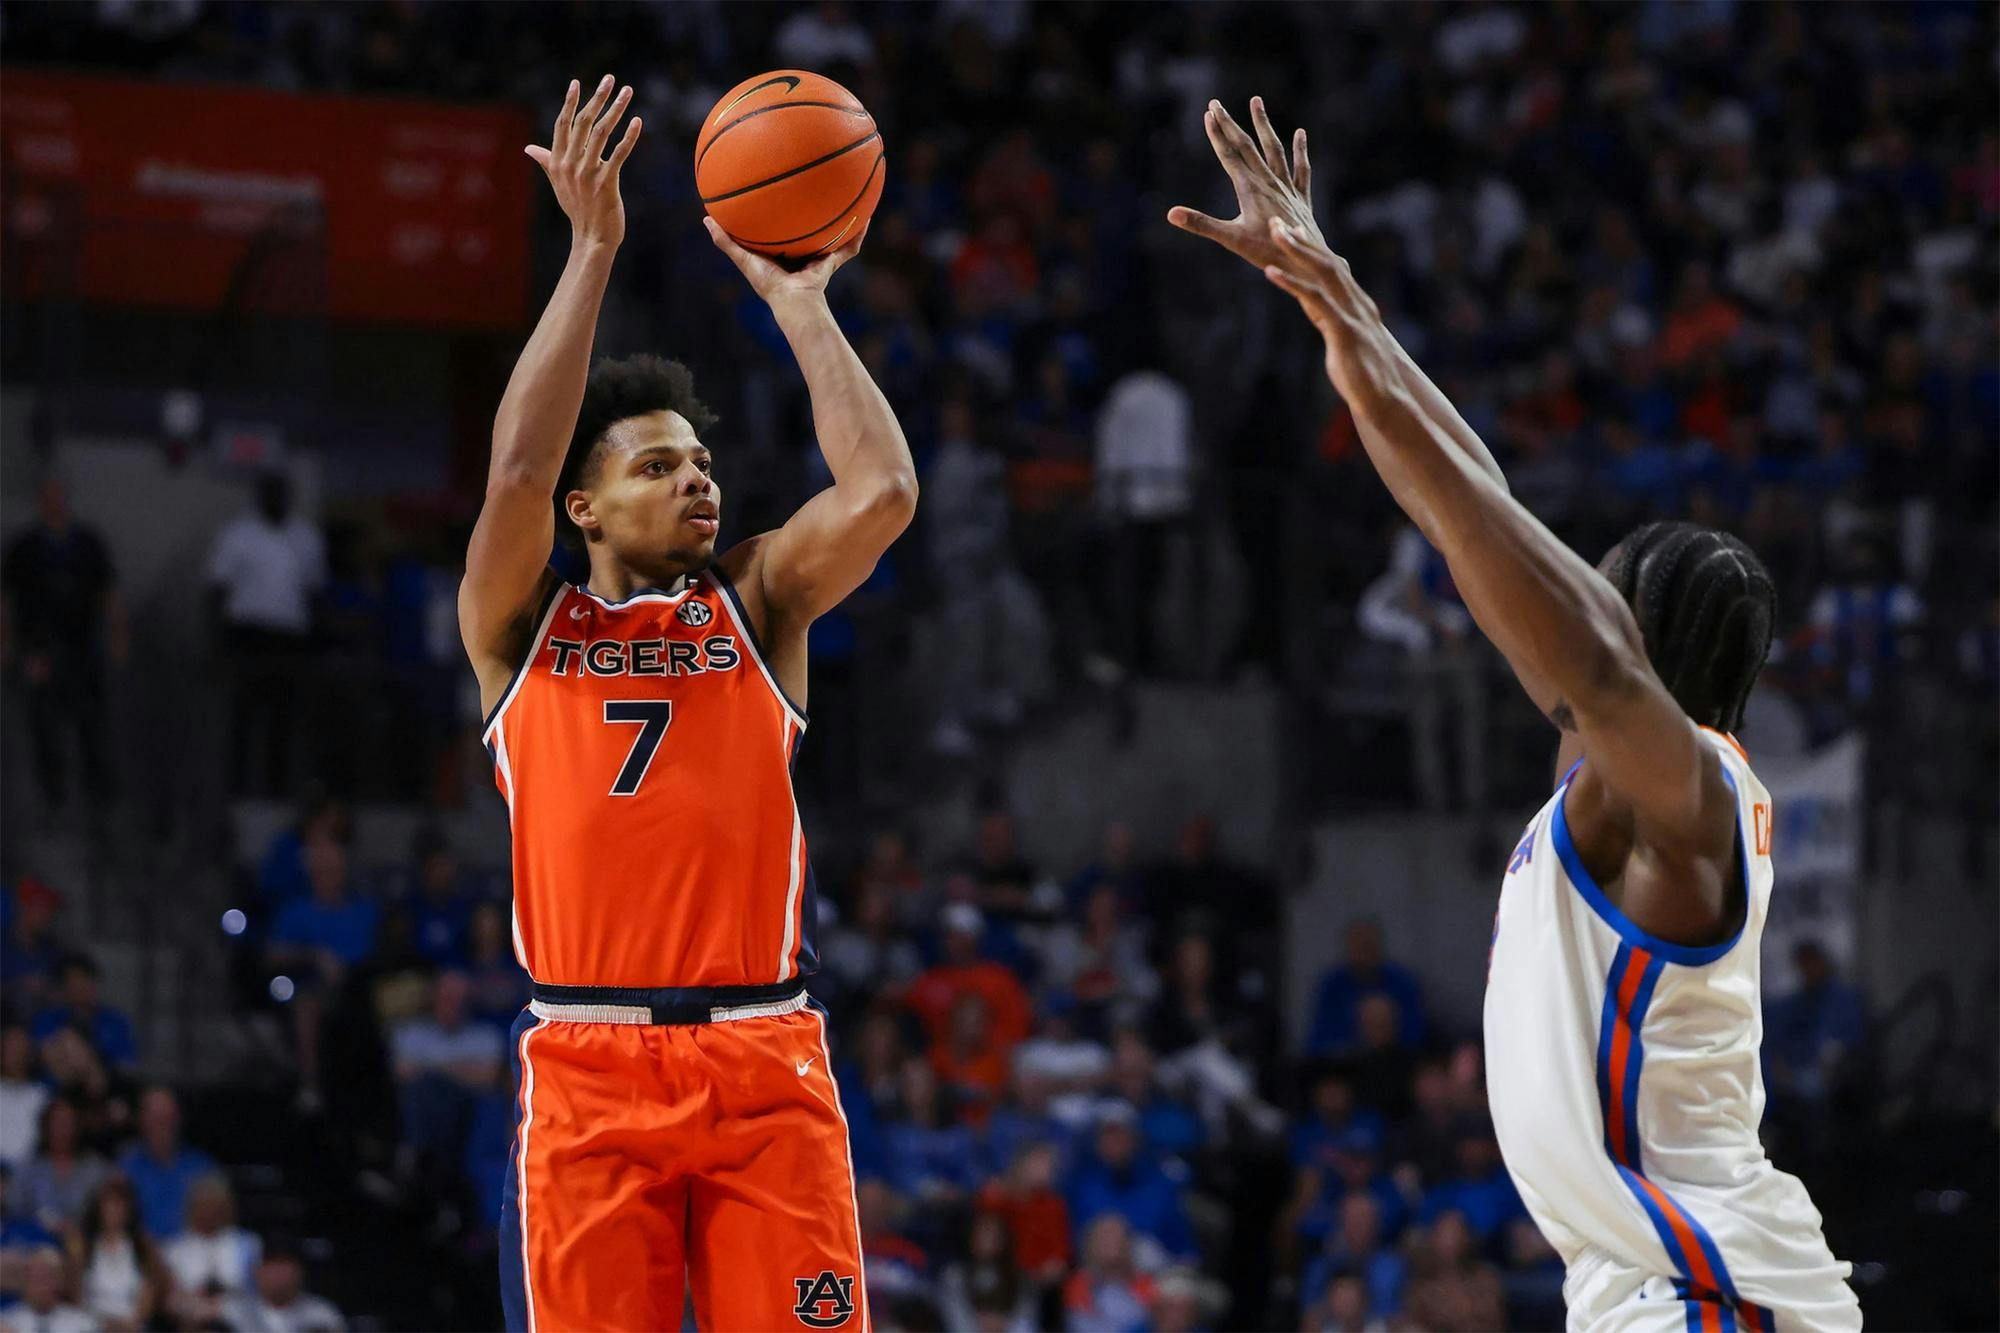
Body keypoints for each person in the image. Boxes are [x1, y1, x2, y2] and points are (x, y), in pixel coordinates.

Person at [1173, 98, 1859, 1328]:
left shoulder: (1682, 793)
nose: (1556, 604)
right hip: (1660, 1289)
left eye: (1592, 594)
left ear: (1630, 639)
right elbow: (1465, 506)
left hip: (1700, 1294)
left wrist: (1347, 320)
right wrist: (1341, 309)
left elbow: (1560, 625)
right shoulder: (1640, 790)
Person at [459, 76, 914, 1331]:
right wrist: (592, 248)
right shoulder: (521, 629)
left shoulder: (758, 601)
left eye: (704, 461)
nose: (697, 481)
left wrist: (803, 303)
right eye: (657, 465)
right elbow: (511, 470)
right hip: (587, 1066)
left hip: (767, 1061)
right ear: (585, 508)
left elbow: (878, 493)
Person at [1, 476, 124, 813]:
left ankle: (96, 792)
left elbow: (109, 593)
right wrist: (6, 643)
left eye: (58, 497)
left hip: (82, 646)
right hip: (39, 648)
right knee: (43, 722)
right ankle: (52, 792)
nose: (53, 503)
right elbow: (6, 600)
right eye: (47, 497)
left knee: (91, 721)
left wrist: (117, 636)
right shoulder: (24, 546)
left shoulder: (88, 543)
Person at [205, 469, 326, 795]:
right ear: (260, 497)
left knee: (282, 718)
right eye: (270, 493)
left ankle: (276, 790)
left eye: (282, 493)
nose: (277, 499)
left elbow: (315, 596)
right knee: (243, 715)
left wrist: (314, 646)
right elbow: (216, 591)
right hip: (248, 634)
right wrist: (216, 644)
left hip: (289, 639)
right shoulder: (239, 534)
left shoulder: (305, 537)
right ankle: (236, 788)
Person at [115, 1087, 216, 1242]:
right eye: (155, 1118)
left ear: (179, 1119)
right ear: (141, 1121)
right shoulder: (126, 1167)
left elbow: (220, 1221)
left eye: (168, 1117)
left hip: (191, 1254)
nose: (162, 1126)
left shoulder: (202, 1167)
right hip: (142, 1256)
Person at [162, 1174, 261, 1329]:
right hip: (192, 1318)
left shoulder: (247, 1243)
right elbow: (172, 1298)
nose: (210, 1212)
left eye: (216, 1205)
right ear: (192, 1208)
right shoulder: (174, 1249)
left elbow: (254, 1290)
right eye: (204, 1205)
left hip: (237, 1317)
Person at [30, 957, 137, 1072]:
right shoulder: (49, 1019)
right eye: (74, 981)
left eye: (86, 979)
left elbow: (127, 1062)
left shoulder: (115, 1021)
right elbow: (42, 1054)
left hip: (106, 1083)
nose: (81, 987)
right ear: (64, 987)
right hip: (58, 1085)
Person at [227, 1246, 344, 1333]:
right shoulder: (235, 1312)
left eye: (283, 1269)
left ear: (299, 1273)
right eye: (272, 1269)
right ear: (258, 1273)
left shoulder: (321, 1313)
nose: (278, 1276)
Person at [0, 1246, 94, 1333]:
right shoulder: (6, 1322)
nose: (41, 1285)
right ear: (24, 1281)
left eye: (47, 1277)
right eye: (34, 1277)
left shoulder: (83, 1324)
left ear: (60, 1281)